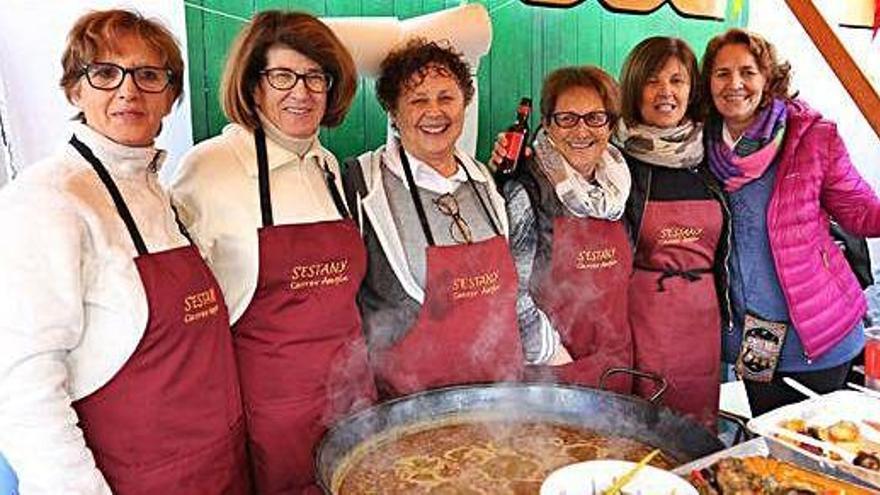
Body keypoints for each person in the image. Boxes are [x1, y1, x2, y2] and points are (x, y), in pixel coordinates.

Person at [0, 9, 248, 494]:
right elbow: (23, 385)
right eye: (106, 73)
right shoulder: (47, 200)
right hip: (134, 479)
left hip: (220, 468)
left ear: (171, 97)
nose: (128, 91)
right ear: (75, 89)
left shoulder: (162, 195)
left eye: (149, 75)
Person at [170, 11, 376, 494]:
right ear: (252, 85)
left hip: (351, 393)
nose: (301, 93)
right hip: (271, 410)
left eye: (314, 77)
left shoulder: (328, 166)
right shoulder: (210, 167)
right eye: (282, 76)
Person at [701, 28, 880, 416]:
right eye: (722, 73)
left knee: (818, 450)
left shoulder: (812, 137)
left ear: (767, 79)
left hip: (820, 336)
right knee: (770, 439)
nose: (735, 84)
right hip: (755, 341)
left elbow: (862, 212)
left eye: (747, 72)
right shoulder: (698, 147)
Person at [343, 39, 524, 398]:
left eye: (446, 98)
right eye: (417, 100)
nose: (434, 111)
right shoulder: (362, 184)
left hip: (502, 399)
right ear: (393, 112)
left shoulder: (484, 178)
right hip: (412, 406)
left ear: (465, 103)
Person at [499, 66, 634, 393]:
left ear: (611, 125)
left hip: (616, 362)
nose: (581, 130)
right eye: (567, 118)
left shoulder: (622, 185)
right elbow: (511, 293)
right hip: (554, 371)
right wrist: (559, 358)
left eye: (595, 118)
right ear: (547, 124)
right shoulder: (526, 191)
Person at [616, 37, 726, 428]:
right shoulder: (617, 160)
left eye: (677, 80)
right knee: (646, 429)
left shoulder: (714, 155)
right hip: (644, 319)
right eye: (653, 81)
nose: (666, 92)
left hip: (703, 320)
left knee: (696, 430)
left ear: (691, 89)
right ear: (634, 87)